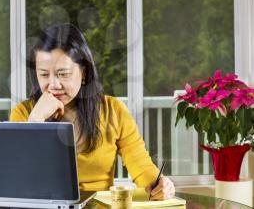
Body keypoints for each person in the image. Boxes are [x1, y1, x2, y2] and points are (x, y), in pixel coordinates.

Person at [9, 23, 175, 200]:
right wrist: (35, 120)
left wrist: (161, 186)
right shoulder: (24, 113)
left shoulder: (114, 111)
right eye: (43, 74)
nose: (54, 85)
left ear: (84, 73)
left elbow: (142, 168)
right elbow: (17, 178)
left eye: (63, 74)